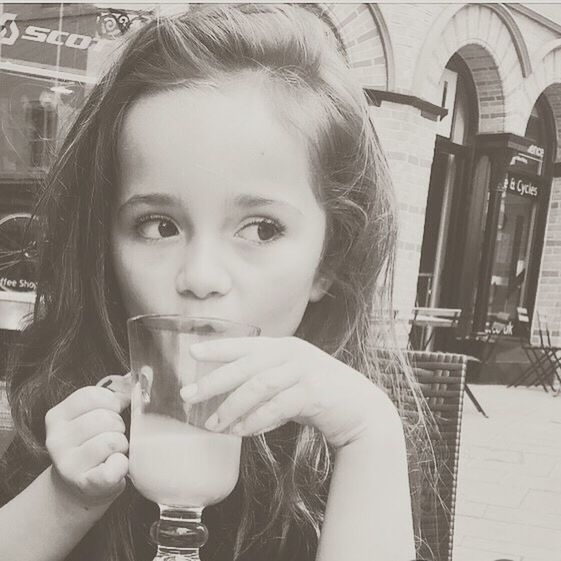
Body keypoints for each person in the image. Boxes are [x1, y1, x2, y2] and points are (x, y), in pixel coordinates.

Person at [0, 4, 432, 561]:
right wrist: (66, 497)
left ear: (328, 260)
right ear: (105, 245)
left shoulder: (354, 445)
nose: (201, 278)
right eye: (159, 225)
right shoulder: (70, 417)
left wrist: (368, 438)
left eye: (262, 228)